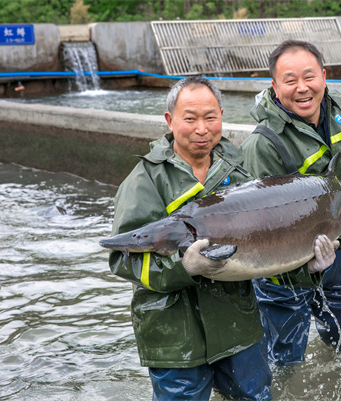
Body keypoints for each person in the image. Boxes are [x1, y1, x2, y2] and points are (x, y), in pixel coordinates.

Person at [108, 76, 279, 401]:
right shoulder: (144, 181)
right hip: (174, 336)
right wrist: (182, 267)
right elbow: (124, 259)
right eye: (190, 119)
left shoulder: (241, 175)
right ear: (170, 121)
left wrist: (310, 263)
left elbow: (270, 247)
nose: (202, 128)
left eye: (210, 117)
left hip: (237, 327)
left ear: (222, 116)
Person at [241, 40, 341, 365]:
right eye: (290, 81)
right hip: (286, 274)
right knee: (284, 363)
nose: (302, 88)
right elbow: (259, 228)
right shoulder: (261, 144)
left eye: (309, 77)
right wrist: (305, 267)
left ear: (324, 76)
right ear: (275, 88)